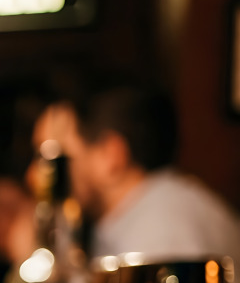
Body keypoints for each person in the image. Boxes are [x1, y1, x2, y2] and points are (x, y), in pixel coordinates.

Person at [64, 85, 240, 264]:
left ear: (111, 155)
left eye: (65, 157)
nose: (38, 175)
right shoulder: (141, 214)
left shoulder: (163, 228)